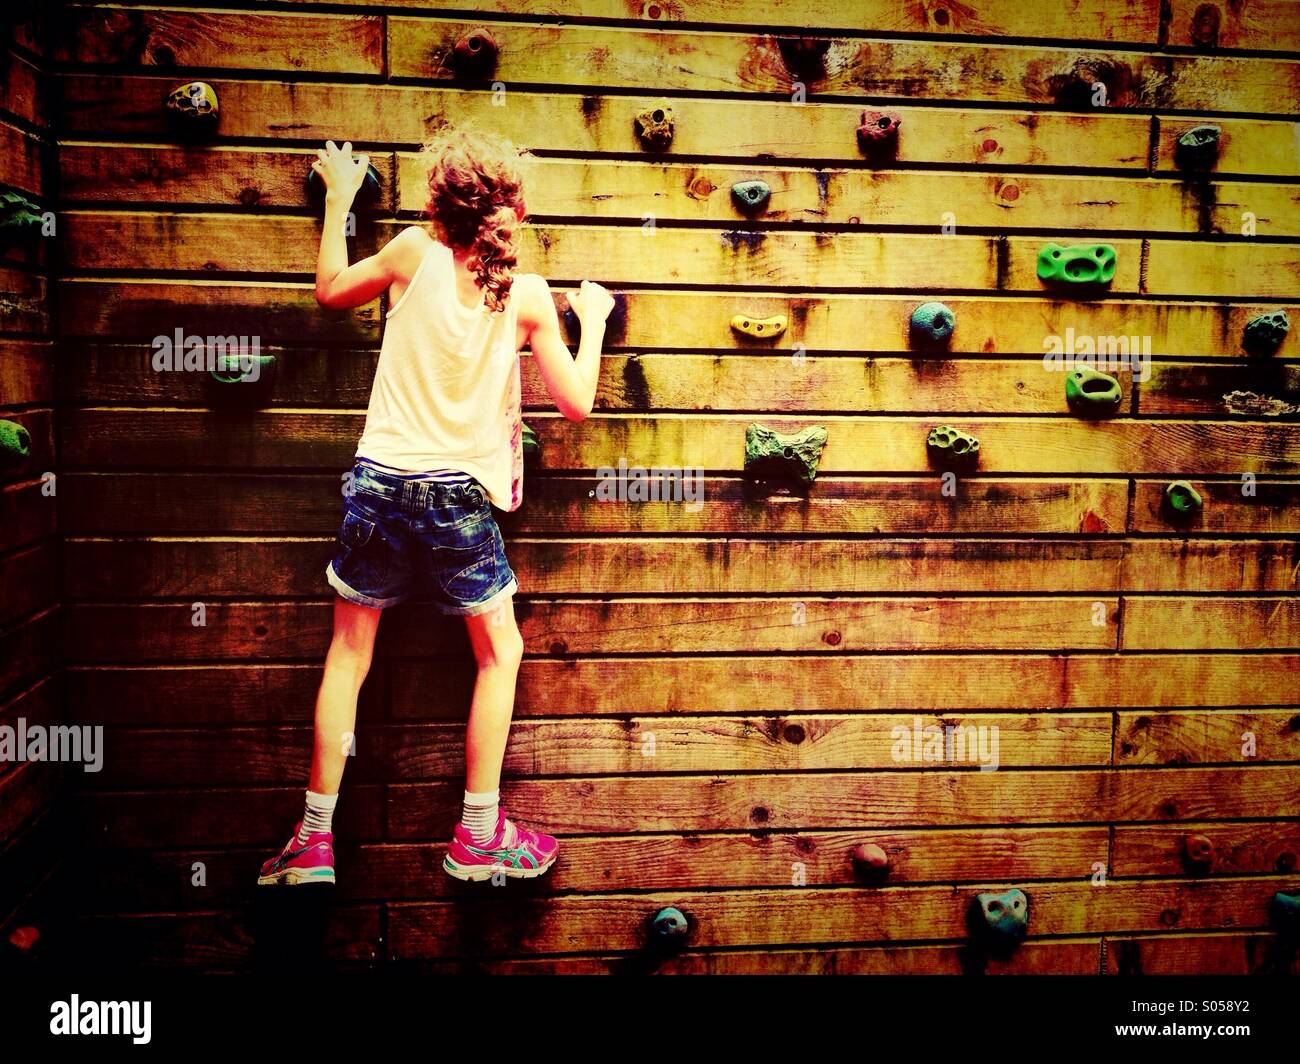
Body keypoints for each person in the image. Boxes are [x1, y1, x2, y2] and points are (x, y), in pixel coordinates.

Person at [258, 132, 614, 885]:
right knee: (500, 653)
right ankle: (479, 835)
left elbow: (328, 292)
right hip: (457, 497)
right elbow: (577, 404)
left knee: (350, 655)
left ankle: (313, 841)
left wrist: (340, 201)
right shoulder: (526, 295)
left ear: (439, 201)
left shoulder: (411, 254)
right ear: (511, 208)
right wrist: (596, 324)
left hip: (379, 483)